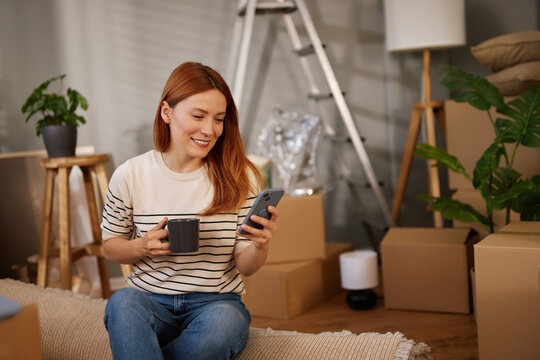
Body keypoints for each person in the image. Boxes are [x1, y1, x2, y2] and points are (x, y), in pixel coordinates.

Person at [101, 61, 279, 360]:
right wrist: (142, 245)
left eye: (219, 119)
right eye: (198, 116)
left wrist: (260, 245)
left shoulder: (240, 175)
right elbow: (111, 248)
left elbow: (246, 266)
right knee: (122, 302)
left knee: (226, 324)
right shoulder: (131, 174)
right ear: (166, 112)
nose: (210, 130)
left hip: (216, 304)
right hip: (149, 301)